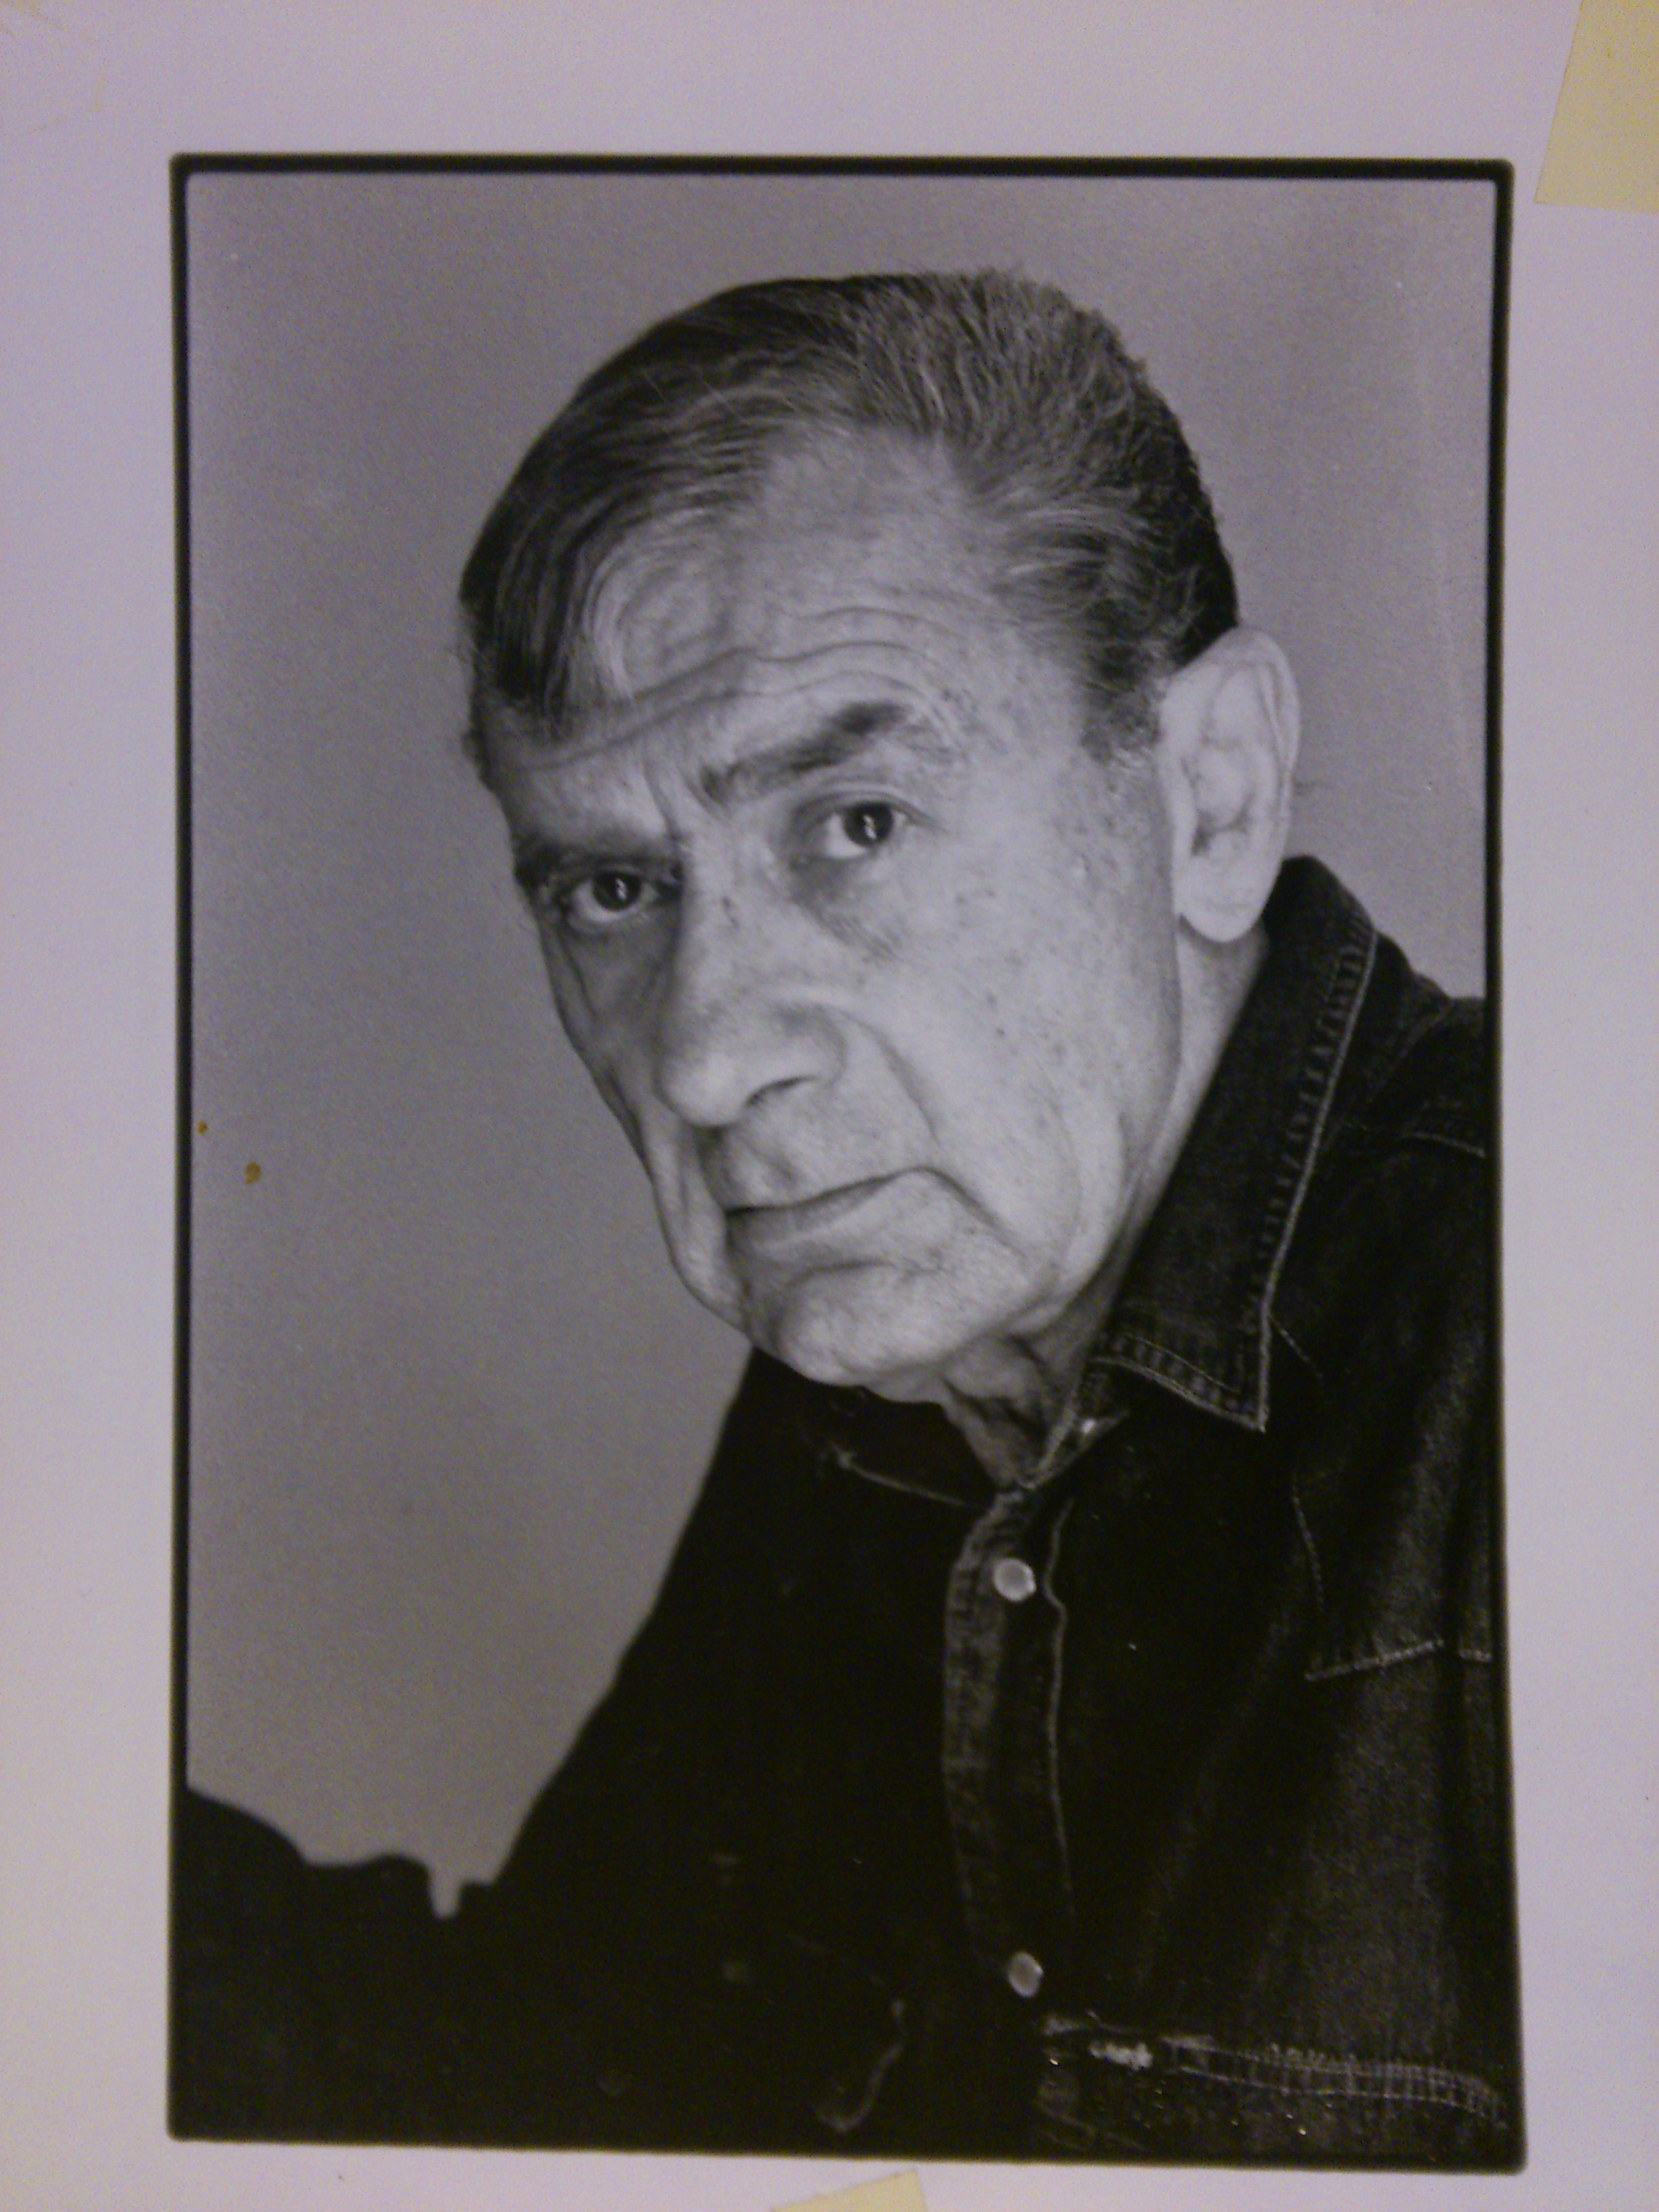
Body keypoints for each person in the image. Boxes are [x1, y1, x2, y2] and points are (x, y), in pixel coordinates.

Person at [176, 270, 1519, 2166]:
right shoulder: (905, 1343)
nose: (707, 1054)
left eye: (858, 822)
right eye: (615, 890)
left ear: (1213, 798)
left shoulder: (1561, 1339)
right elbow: (558, 2096)